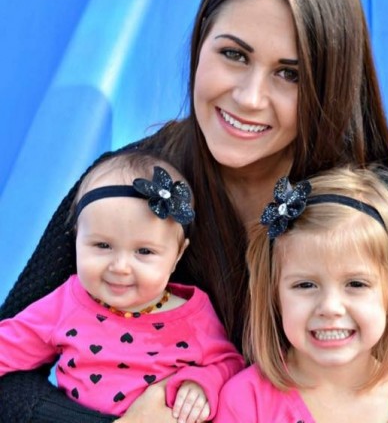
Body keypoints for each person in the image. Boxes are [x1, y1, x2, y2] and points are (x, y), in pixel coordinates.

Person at [0, 0, 388, 422]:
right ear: (200, 43)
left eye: (289, 74)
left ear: (328, 85)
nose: (249, 97)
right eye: (234, 54)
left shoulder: (360, 207)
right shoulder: (127, 188)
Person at [0, 152, 244, 422]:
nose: (120, 267)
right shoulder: (67, 302)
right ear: (76, 239)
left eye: (144, 251)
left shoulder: (193, 315)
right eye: (102, 245)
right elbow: (9, 344)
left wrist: (200, 383)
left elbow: (229, 363)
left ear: (177, 255)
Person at [215, 166, 388, 422]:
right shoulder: (245, 402)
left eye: (356, 284)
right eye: (305, 285)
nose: (330, 307)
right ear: (275, 296)